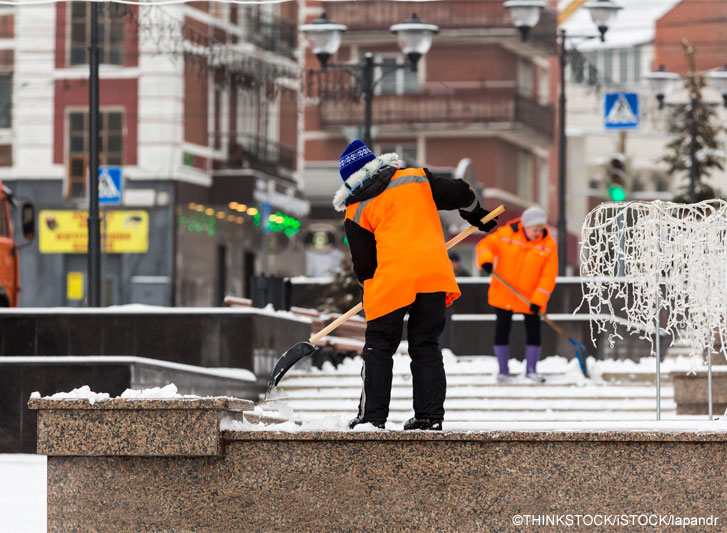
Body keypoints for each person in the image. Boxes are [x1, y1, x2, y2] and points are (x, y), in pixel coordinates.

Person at [334, 140, 498, 430]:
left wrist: (368, 290)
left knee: (379, 348)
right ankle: (429, 416)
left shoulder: (356, 209)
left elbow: (365, 265)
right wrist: (475, 214)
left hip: (391, 280)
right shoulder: (413, 179)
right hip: (432, 273)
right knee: (426, 345)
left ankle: (372, 417)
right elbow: (461, 191)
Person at [476, 206, 557, 383]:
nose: (537, 233)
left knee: (534, 330)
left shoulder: (549, 245)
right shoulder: (506, 234)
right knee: (502, 329)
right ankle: (503, 371)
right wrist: (486, 261)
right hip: (504, 292)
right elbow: (485, 245)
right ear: (525, 225)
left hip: (530, 298)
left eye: (540, 229)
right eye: (534, 229)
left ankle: (531, 370)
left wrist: (538, 300)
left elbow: (548, 276)